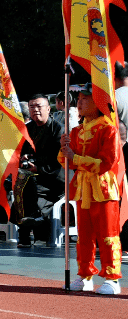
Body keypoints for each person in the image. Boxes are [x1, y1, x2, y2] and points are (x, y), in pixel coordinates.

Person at [60, 84, 122, 294]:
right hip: (83, 189)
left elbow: (107, 162)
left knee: (107, 234)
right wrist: (64, 150)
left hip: (103, 189)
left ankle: (112, 278)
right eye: (79, 98)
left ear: (98, 103)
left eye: (85, 98)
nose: (80, 102)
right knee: (84, 236)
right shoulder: (76, 130)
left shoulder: (108, 129)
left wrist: (75, 158)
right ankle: (85, 275)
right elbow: (66, 162)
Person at [12, 95, 64, 247]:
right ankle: (28, 228)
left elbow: (59, 160)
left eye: (38, 106)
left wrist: (38, 167)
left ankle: (26, 232)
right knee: (19, 185)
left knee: (28, 188)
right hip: (33, 176)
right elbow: (20, 152)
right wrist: (24, 158)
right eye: (31, 107)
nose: (35, 110)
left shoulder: (58, 130)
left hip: (53, 177)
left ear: (48, 108)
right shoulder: (28, 129)